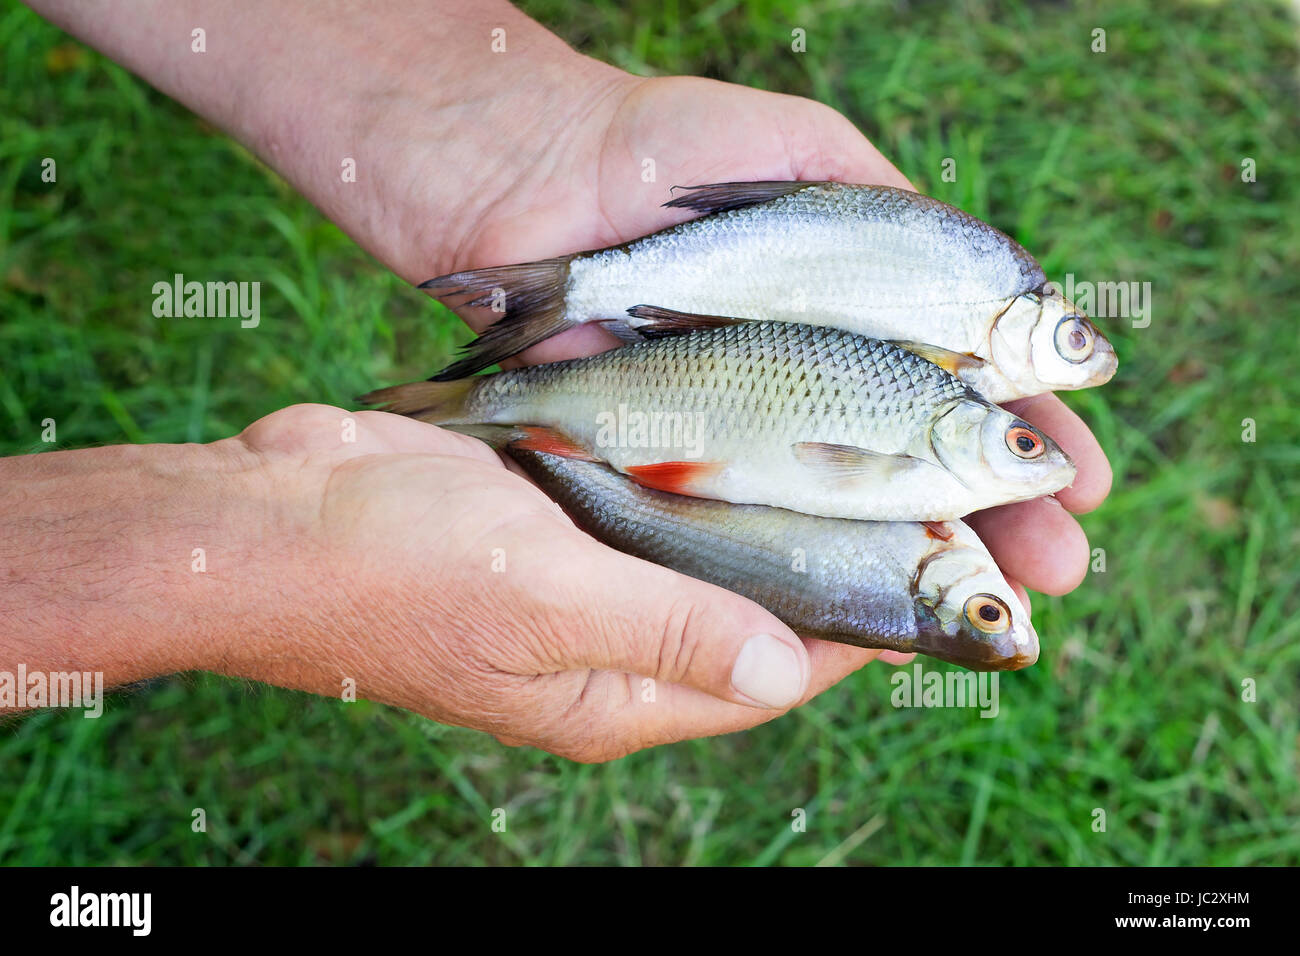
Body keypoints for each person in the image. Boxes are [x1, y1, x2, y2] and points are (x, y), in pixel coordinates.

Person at [2, 0, 1111, 761]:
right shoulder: (936, 433)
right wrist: (270, 553)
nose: (1032, 445)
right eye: (1020, 441)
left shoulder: (926, 452)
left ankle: (512, 402)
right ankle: (523, 384)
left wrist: (516, 135)